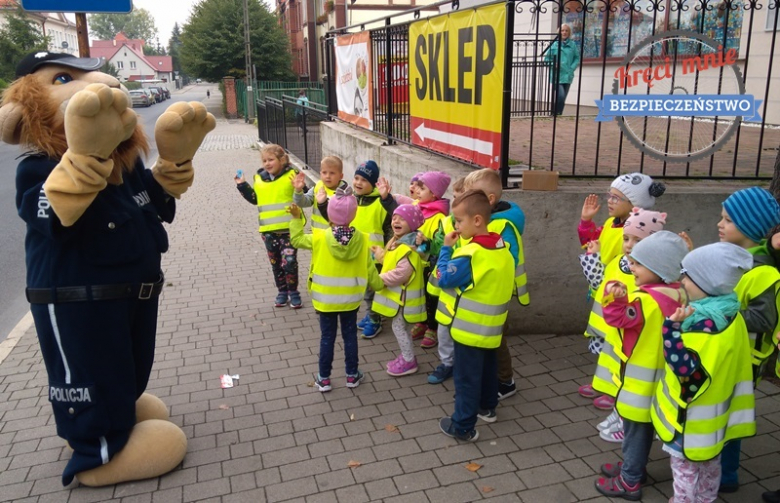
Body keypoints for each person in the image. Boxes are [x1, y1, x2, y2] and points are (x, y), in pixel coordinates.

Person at [652, 243, 755, 503]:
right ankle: (706, 499)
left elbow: (687, 372)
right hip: (716, 421)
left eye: (687, 275)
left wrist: (670, 329)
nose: (681, 280)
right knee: (710, 464)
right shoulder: (731, 312)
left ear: (707, 284)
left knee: (685, 469)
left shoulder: (703, 326)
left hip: (690, 422)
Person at [594, 231, 689, 500]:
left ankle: (630, 480)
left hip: (639, 384)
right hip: (663, 380)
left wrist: (615, 297)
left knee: (635, 432)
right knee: (644, 429)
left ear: (658, 268)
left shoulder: (645, 301)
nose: (632, 267)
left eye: (638, 263)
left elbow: (617, 319)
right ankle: (634, 468)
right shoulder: (680, 294)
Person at [711, 187, 780, 492]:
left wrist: (722, 312)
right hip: (731, 351)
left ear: (751, 227)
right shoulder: (740, 259)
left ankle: (726, 474)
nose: (720, 224)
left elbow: (764, 320)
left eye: (728, 220)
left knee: (730, 414)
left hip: (745, 359)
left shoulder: (761, 270)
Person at [578, 173, 666, 410]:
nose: (610, 201)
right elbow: (591, 243)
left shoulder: (636, 234)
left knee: (618, 350)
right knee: (605, 350)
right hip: (606, 293)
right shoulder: (611, 224)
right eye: (610, 195)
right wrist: (586, 223)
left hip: (617, 299)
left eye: (617, 198)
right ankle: (603, 382)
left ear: (634, 205)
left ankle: (615, 388)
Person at [437, 190, 515, 441]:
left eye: (459, 220)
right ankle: (487, 407)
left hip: (469, 331)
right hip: (491, 328)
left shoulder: (471, 254)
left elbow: (445, 278)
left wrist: (446, 249)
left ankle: (462, 426)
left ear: (477, 220)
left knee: (466, 379)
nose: (456, 225)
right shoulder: (502, 248)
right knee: (487, 370)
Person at [585, 208, 668, 442]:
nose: (629, 245)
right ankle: (618, 412)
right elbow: (599, 282)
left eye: (638, 240)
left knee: (630, 382)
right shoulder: (620, 262)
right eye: (626, 238)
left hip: (632, 336)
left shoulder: (648, 272)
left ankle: (625, 420)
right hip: (615, 332)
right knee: (615, 375)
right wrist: (592, 258)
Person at [288, 187, 383, 392]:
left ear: (330, 213)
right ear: (354, 214)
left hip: (325, 300)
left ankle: (324, 379)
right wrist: (381, 285)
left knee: (327, 338)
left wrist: (297, 218)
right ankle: (352, 376)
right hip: (351, 300)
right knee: (350, 337)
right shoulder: (364, 239)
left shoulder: (320, 237)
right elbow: (371, 275)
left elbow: (296, 240)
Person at [460, 169, 528, 401]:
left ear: (489, 201)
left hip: (495, 294)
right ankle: (487, 378)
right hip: (482, 291)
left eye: (471, 195)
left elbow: (506, 260)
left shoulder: (503, 226)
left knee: (496, 338)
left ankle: (505, 381)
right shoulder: (483, 219)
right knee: (486, 338)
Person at [235, 144, 303, 308]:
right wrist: (242, 185)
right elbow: (255, 199)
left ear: (282, 160)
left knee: (289, 262)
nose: (267, 163)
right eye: (264, 160)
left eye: (270, 159)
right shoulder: (259, 178)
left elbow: (303, 196)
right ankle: (282, 291)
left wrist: (299, 188)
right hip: (268, 232)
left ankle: (293, 292)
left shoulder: (291, 175)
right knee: (276, 263)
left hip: (289, 230)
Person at [371, 204, 427, 376]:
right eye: (394, 217)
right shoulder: (397, 241)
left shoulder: (407, 248)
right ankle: (406, 356)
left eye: (402, 218)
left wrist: (378, 280)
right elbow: (390, 261)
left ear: (412, 224)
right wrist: (380, 254)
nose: (396, 220)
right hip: (401, 299)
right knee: (400, 328)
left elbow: (401, 273)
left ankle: (409, 360)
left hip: (405, 300)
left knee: (399, 327)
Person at [427, 177, 466, 384]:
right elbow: (437, 247)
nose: (455, 203)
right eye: (454, 197)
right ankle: (447, 363)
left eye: (461, 199)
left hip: (465, 290)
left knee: (461, 333)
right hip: (447, 288)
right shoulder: (446, 221)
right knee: (444, 330)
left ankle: (460, 365)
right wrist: (428, 243)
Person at [410, 171, 451, 348]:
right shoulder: (416, 207)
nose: (417, 191)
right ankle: (422, 321)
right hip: (415, 261)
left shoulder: (439, 217)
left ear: (434, 194)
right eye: (417, 187)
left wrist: (425, 242)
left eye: (422, 188)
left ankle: (432, 328)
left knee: (430, 297)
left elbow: (439, 246)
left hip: (430, 265)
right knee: (419, 295)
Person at [292, 155, 348, 232]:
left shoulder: (345, 193)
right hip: (316, 235)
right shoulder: (318, 187)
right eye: (324, 173)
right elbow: (303, 203)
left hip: (334, 237)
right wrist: (298, 190)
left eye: (332, 173)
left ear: (341, 176)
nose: (327, 176)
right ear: (320, 173)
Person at [545, 23, 580, 116]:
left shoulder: (572, 45)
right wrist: (553, 64)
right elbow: (547, 59)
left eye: (566, 30)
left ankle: (558, 114)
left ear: (569, 33)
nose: (564, 32)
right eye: (562, 30)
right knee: (560, 96)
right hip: (557, 75)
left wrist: (571, 68)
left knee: (563, 97)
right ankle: (556, 113)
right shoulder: (554, 45)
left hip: (568, 74)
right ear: (559, 32)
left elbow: (577, 58)